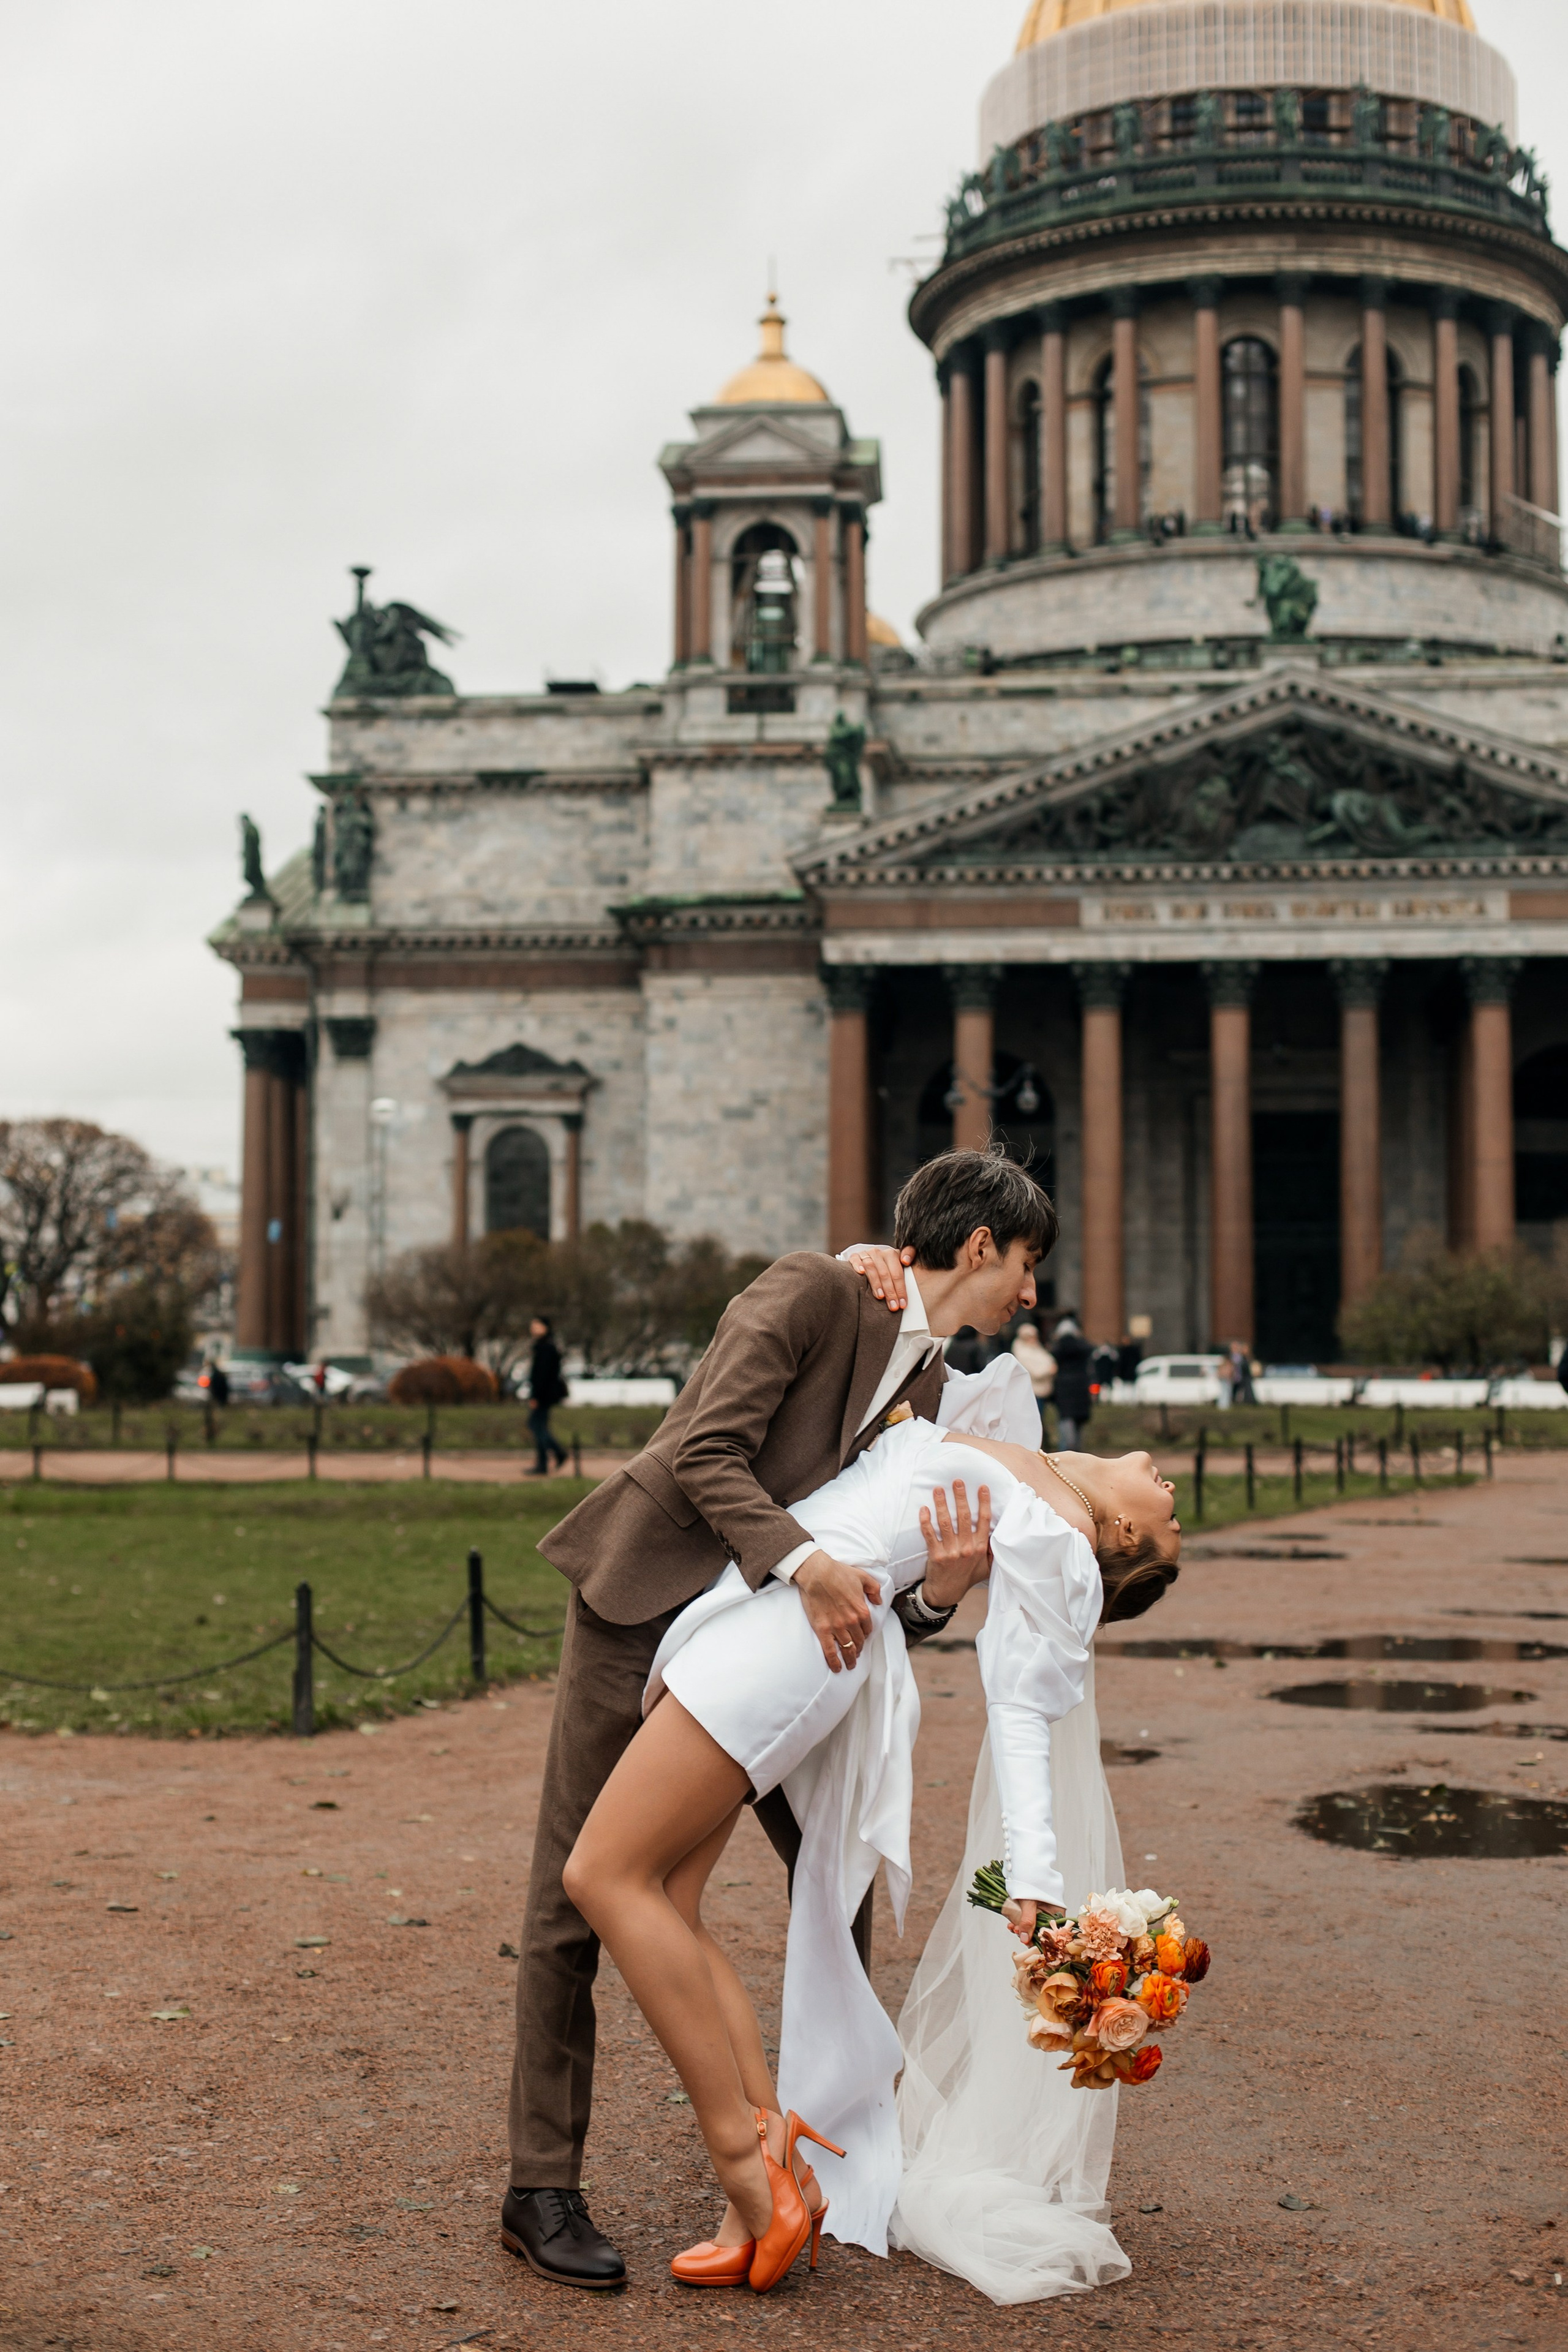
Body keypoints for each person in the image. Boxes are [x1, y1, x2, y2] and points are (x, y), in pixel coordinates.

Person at [501, 1149, 1055, 2289]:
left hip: (780, 1662)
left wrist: (941, 1591)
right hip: (645, 1606)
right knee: (579, 1901)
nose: (1034, 1296)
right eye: (1031, 1263)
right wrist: (799, 1563)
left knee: (832, 1893)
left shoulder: (939, 1395)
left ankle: (805, 2164)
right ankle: (540, 2187)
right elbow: (703, 1449)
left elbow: (890, 1587)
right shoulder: (815, 1289)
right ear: (983, 1245)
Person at [567, 1385, 1182, 2301]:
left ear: (1122, 1539)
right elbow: (922, 1351)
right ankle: (775, 2175)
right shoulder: (1020, 1433)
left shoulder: (1059, 1547)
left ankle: (745, 2168)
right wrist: (876, 1262)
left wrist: (1037, 1879)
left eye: (1173, 1529)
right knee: (669, 1903)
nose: (1174, 1495)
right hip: (765, 1615)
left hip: (793, 1643)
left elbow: (1021, 1712)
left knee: (602, 1876)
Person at [526, 1316, 568, 1476]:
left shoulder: (546, 1348)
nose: (533, 1328)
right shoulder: (544, 1346)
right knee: (538, 1426)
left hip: (543, 1395)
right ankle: (546, 1462)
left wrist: (535, 1396)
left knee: (536, 1426)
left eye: (536, 1325)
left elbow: (542, 1376)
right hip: (545, 1395)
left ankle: (555, 1455)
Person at [1050, 1312, 1093, 1449]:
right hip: (1081, 1389)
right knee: (1078, 1426)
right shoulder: (1083, 1348)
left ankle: (1066, 1453)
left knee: (1066, 1424)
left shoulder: (1057, 1350)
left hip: (1064, 1390)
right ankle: (1077, 1454)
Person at [1009, 1319, 1055, 1406]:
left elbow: (1048, 1359)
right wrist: (1049, 1370)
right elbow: (1036, 1372)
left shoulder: (1036, 1348)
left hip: (1043, 1389)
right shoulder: (1022, 1353)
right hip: (1034, 1391)